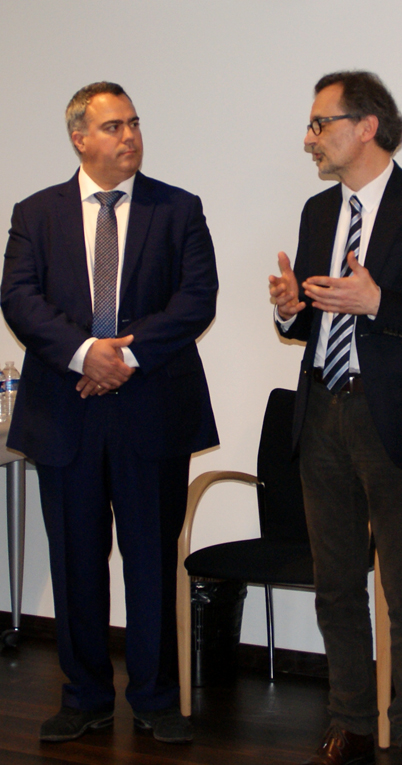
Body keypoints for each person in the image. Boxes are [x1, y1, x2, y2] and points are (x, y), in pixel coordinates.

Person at [268, 70, 402, 765]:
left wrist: (379, 302)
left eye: (320, 123)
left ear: (366, 126)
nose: (310, 137)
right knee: (336, 581)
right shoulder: (316, 213)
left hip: (394, 417)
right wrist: (291, 310)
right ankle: (351, 718)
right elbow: (312, 319)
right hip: (322, 410)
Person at [1, 82, 219, 743]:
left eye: (134, 124)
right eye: (113, 126)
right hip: (66, 411)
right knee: (75, 559)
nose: (129, 136)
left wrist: (122, 359)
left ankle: (156, 698)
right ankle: (85, 694)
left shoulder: (177, 209)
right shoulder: (35, 213)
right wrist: (83, 353)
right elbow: (19, 297)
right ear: (80, 137)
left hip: (151, 409)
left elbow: (196, 298)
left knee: (152, 558)